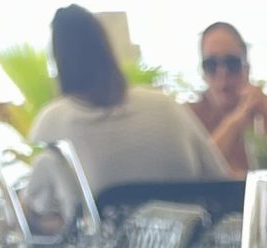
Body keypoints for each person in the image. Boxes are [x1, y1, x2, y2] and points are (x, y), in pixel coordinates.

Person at [29, 6, 229, 193]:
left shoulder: (52, 122)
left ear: (59, 61)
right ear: (106, 49)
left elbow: (35, 206)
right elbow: (221, 179)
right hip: (190, 218)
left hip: (103, 221)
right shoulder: (165, 106)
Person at [188, 20, 267, 175]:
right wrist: (237, 119)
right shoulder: (190, 118)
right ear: (203, 72)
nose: (222, 73)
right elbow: (198, 168)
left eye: (232, 63)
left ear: (246, 68)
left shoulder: (266, 112)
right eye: (211, 65)